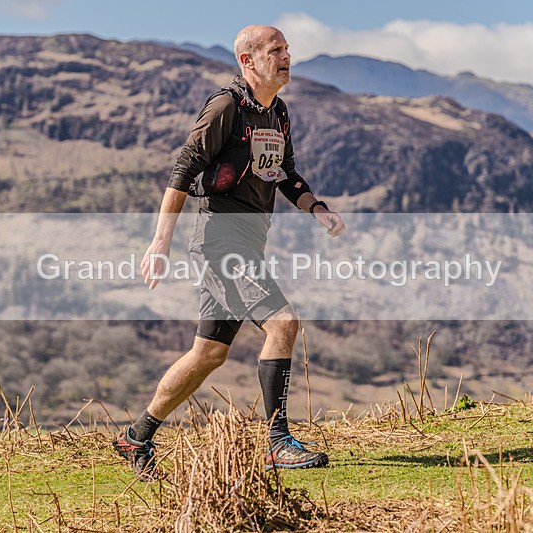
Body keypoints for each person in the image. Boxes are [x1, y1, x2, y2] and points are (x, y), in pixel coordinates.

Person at [113, 24, 346, 477]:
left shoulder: (277, 112)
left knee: (209, 353)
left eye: (287, 49)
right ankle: (277, 441)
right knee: (283, 322)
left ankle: (136, 437)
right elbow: (183, 170)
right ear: (248, 60)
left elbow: (285, 174)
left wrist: (317, 209)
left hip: (248, 242)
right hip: (220, 240)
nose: (286, 56)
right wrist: (160, 241)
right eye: (275, 50)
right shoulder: (226, 106)